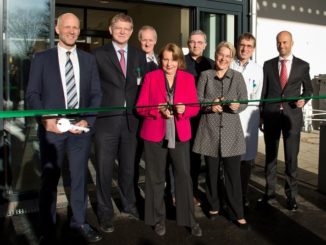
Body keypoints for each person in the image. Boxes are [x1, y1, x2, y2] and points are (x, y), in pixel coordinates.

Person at [26, 13, 102, 243]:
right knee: (49, 181)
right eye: (67, 27)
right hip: (52, 129)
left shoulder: (88, 60)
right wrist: (45, 119)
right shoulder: (41, 58)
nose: (72, 31)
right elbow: (32, 94)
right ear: (57, 29)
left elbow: (96, 94)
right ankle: (46, 231)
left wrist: (87, 120)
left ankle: (79, 222)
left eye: (76, 27)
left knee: (79, 179)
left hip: (79, 128)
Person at [136, 43, 202, 237]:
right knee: (155, 179)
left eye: (173, 59)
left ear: (179, 60)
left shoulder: (188, 78)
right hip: (154, 134)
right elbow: (140, 108)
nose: (169, 63)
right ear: (160, 60)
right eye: (165, 59)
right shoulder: (150, 77)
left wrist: (185, 110)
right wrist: (157, 109)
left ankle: (189, 219)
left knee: (183, 177)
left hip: (180, 133)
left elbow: (195, 108)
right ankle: (157, 220)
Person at [92, 13, 147, 233]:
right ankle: (105, 213)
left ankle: (129, 204)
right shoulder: (98, 55)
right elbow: (92, 88)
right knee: (104, 170)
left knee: (128, 168)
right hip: (106, 122)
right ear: (110, 29)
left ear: (132, 31)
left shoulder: (138, 55)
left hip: (132, 121)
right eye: (118, 28)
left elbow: (142, 85)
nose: (122, 31)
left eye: (127, 28)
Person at [193, 41, 249, 229]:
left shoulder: (238, 77)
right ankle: (214, 206)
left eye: (227, 56)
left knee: (233, 175)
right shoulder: (205, 76)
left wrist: (236, 106)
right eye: (220, 55)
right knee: (211, 173)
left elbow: (244, 101)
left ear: (231, 58)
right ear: (215, 55)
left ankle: (237, 213)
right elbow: (197, 101)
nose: (223, 59)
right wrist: (211, 105)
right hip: (209, 131)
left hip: (231, 133)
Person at [258, 31, 313, 211]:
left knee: (291, 159)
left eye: (285, 42)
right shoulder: (268, 65)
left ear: (291, 43)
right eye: (279, 42)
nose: (281, 46)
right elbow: (263, 93)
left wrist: (303, 100)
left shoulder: (302, 66)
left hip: (292, 118)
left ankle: (291, 196)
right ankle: (270, 193)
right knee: (271, 157)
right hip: (271, 116)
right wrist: (260, 116)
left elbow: (309, 91)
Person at [230, 33, 263, 208]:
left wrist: (258, 120)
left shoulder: (258, 70)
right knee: (228, 161)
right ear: (237, 45)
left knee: (245, 162)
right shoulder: (229, 64)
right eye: (242, 45)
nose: (245, 49)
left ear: (253, 49)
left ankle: (242, 195)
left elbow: (258, 98)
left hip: (249, 118)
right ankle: (228, 195)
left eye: (249, 46)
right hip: (229, 119)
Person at [185, 30, 215, 207]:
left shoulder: (211, 64)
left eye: (199, 42)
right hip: (187, 116)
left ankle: (202, 191)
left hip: (206, 115)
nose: (195, 45)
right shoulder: (181, 62)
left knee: (202, 156)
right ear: (188, 44)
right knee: (187, 156)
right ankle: (186, 191)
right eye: (192, 42)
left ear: (205, 45)